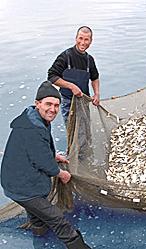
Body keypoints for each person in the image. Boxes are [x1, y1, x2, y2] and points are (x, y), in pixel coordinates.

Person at [0, 81, 91, 249]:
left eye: (56, 105)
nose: (53, 109)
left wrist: (53, 155)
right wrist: (61, 174)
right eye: (48, 104)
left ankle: (39, 233)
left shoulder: (32, 118)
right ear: (38, 103)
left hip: (14, 181)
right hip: (22, 187)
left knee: (36, 214)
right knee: (59, 221)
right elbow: (42, 161)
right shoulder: (33, 129)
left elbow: (35, 149)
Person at [48, 26, 100, 124]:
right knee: (72, 132)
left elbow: (95, 78)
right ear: (76, 38)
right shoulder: (65, 56)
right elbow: (51, 77)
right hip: (68, 102)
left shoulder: (90, 60)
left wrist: (96, 94)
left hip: (84, 100)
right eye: (80, 38)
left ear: (91, 41)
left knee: (85, 129)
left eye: (86, 39)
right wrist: (71, 86)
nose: (83, 42)